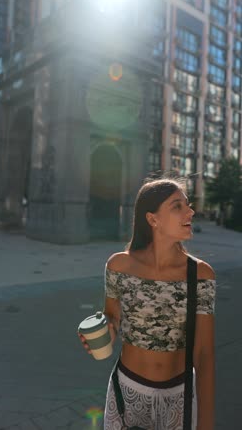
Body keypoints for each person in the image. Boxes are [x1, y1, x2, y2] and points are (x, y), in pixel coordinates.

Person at [78, 177, 216, 429]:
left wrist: (206, 422)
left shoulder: (201, 274)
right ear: (153, 219)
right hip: (126, 392)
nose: (190, 211)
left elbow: (204, 354)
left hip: (179, 397)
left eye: (187, 204)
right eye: (177, 206)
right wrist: (103, 334)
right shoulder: (118, 265)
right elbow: (112, 317)